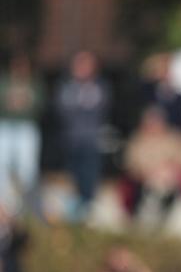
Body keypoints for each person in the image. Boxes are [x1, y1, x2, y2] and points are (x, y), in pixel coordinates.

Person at [55, 51, 109, 212]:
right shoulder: (67, 87)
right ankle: (76, 205)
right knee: (73, 174)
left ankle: (87, 205)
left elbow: (100, 109)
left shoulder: (99, 87)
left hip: (91, 138)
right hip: (72, 137)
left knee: (89, 173)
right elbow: (63, 109)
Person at [0, 54, 43, 204]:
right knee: (2, 163)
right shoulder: (4, 82)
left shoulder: (34, 83)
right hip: (5, 125)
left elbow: (39, 105)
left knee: (27, 167)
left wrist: (19, 102)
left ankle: (26, 202)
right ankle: (5, 203)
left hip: (26, 127)